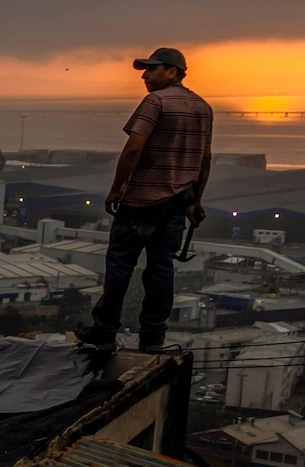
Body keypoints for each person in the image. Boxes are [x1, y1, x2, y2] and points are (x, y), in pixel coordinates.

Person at [78, 47, 213, 355]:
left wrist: (117, 188)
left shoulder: (155, 102)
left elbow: (134, 148)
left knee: (119, 266)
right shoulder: (203, 108)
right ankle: (153, 338)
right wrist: (195, 200)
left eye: (152, 69)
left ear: (173, 72)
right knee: (161, 269)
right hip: (178, 202)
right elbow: (205, 159)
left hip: (139, 201)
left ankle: (103, 331)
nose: (145, 75)